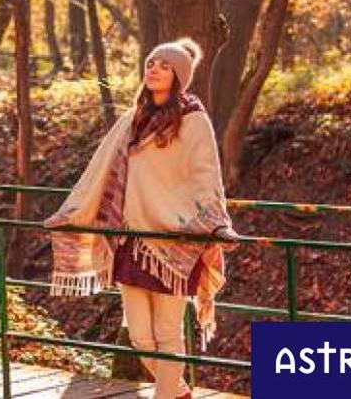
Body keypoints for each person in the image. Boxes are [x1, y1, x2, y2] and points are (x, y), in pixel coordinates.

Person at [43, 36, 239, 399]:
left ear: (179, 76)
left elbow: (206, 175)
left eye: (164, 66)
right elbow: (98, 171)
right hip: (130, 241)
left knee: (167, 334)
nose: (154, 69)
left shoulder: (193, 120)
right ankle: (178, 391)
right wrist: (71, 213)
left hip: (174, 244)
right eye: (151, 63)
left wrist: (216, 222)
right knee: (139, 336)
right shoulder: (132, 120)